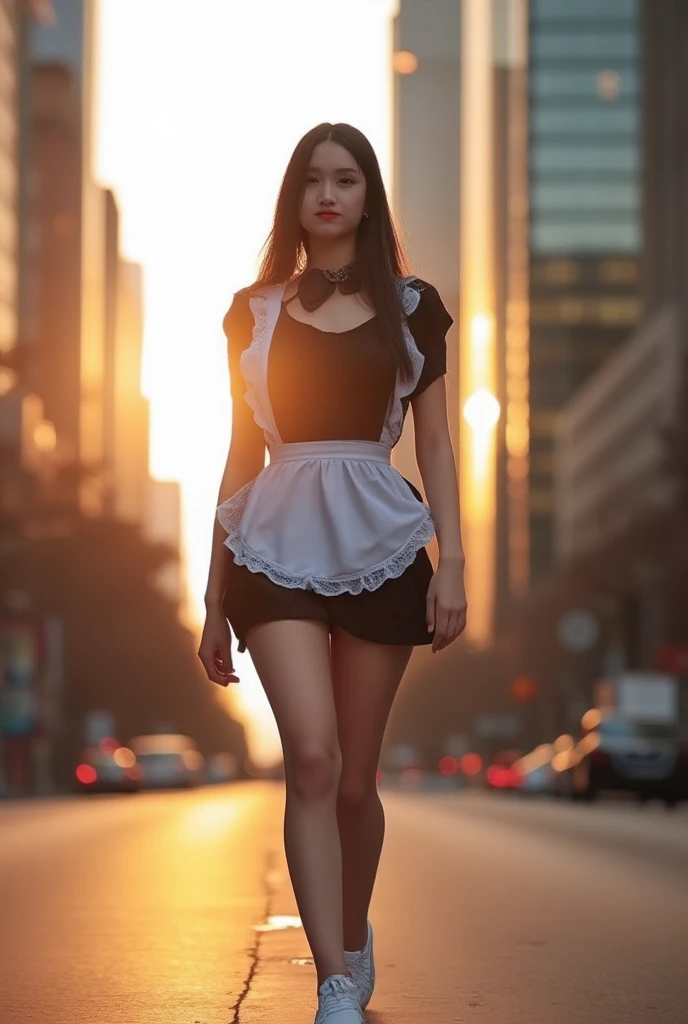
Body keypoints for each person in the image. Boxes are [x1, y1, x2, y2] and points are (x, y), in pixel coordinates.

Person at [199, 122, 466, 1023]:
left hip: (383, 547)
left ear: (367, 195)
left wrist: (453, 567)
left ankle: (354, 933)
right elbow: (240, 458)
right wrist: (210, 598)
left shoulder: (417, 304)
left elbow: (435, 444)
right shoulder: (254, 308)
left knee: (356, 780)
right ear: (295, 195)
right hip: (271, 548)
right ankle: (335, 979)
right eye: (313, 179)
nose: (328, 194)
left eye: (346, 179)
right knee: (310, 757)